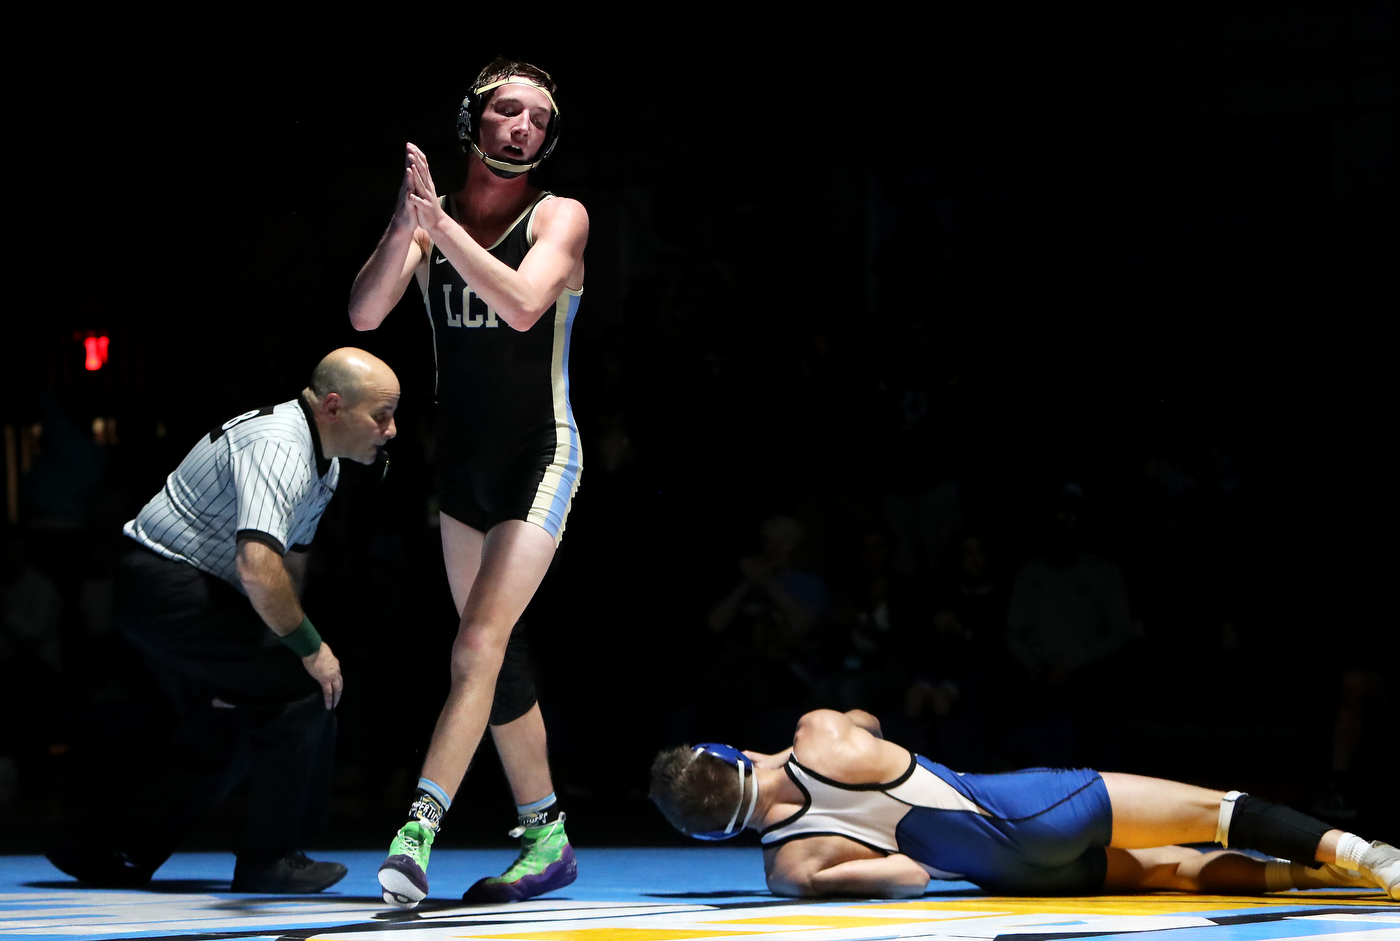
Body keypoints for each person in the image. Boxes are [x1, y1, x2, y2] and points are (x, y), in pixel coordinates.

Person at [348, 56, 588, 909]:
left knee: (476, 646)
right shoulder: (432, 219)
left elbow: (524, 303)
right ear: (473, 122)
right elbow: (366, 312)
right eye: (506, 111)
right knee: (498, 655)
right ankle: (548, 833)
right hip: (462, 468)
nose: (522, 126)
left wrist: (440, 232)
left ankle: (418, 829)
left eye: (537, 117)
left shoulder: (560, 216)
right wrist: (411, 222)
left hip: (540, 457)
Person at [45, 348, 400, 894]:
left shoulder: (321, 461)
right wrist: (308, 648)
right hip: (169, 589)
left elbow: (288, 566)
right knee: (307, 685)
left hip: (189, 592)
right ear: (333, 405)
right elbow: (258, 567)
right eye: (382, 414)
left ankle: (105, 845)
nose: (391, 430)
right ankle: (271, 858)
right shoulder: (279, 446)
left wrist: (285, 637)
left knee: (240, 713)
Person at [649, 708, 1400, 901]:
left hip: (1006, 871)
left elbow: (908, 876)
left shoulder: (790, 865)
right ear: (732, 754)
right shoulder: (819, 734)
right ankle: (1371, 860)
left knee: (1174, 870)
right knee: (1218, 811)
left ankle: (1332, 882)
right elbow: (870, 727)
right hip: (1033, 806)